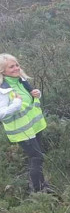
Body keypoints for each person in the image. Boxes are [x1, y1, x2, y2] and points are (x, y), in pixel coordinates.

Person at [0, 54, 51, 193]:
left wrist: (36, 93)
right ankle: (37, 191)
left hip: (34, 126)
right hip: (21, 131)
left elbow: (29, 100)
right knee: (37, 157)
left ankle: (42, 185)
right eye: (11, 66)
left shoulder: (21, 81)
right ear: (2, 71)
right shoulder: (3, 90)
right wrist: (16, 104)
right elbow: (1, 112)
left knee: (37, 156)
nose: (16, 68)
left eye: (17, 64)